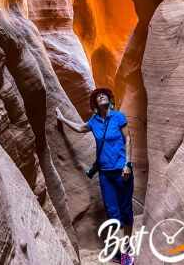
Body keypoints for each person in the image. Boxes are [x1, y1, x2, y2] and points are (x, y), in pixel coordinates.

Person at [56, 88, 135, 265]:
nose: (101, 96)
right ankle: (117, 250)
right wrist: (62, 118)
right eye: (98, 96)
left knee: (126, 210)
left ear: (109, 99)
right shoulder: (94, 121)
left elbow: (128, 139)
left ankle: (127, 250)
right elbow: (79, 128)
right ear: (95, 104)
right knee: (112, 212)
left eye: (104, 95)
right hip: (105, 174)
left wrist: (127, 164)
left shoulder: (118, 117)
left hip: (122, 171)